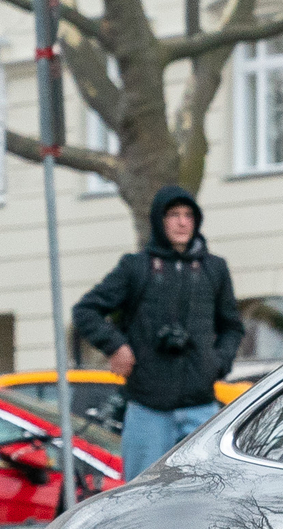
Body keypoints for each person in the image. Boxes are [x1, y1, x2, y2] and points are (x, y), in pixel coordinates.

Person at [73, 186, 243, 480]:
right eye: (174, 214)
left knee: (206, 495)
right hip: (147, 409)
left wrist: (217, 364)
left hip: (201, 408)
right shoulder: (135, 267)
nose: (182, 222)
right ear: (159, 220)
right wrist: (116, 346)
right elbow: (86, 311)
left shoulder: (214, 269)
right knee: (140, 495)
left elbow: (232, 327)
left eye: (189, 215)